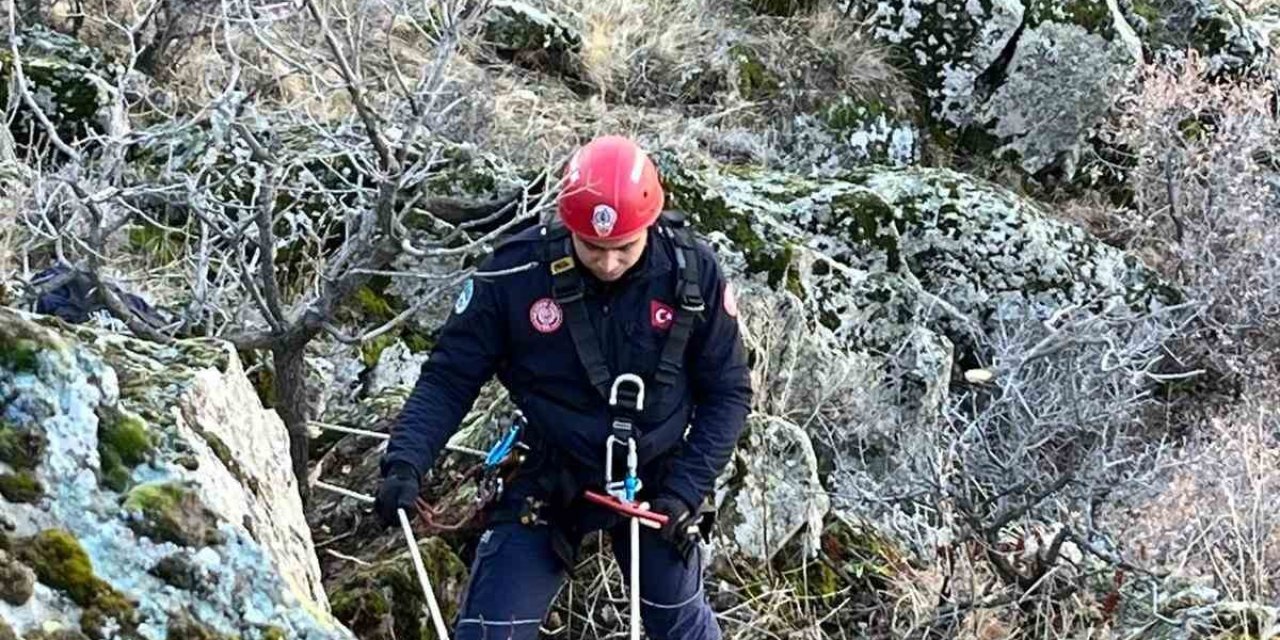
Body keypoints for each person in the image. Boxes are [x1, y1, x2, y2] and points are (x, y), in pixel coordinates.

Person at [374, 135, 752, 640]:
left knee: (682, 626)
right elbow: (450, 376)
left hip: (657, 480)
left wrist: (685, 490)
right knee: (490, 634)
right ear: (568, 224)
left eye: (624, 248)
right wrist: (405, 462)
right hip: (550, 473)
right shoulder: (517, 271)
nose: (609, 262)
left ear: (649, 226)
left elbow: (727, 392)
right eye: (593, 247)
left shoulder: (692, 274)